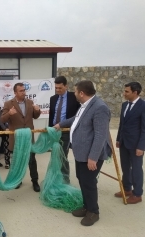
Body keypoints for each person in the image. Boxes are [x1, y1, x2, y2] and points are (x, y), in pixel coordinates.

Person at [54, 80, 111, 226]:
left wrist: (93, 157)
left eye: (75, 91)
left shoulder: (100, 108)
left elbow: (100, 135)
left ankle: (93, 212)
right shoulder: (85, 105)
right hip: (81, 153)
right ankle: (86, 207)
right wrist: (61, 124)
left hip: (91, 156)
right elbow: (76, 119)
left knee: (89, 182)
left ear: (82, 93)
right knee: (82, 179)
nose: (74, 94)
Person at [0, 82, 41, 192]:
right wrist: (9, 113)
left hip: (28, 137)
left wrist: (38, 111)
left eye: (24, 90)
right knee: (17, 160)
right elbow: (2, 119)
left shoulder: (30, 102)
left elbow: (35, 117)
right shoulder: (8, 104)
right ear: (15, 92)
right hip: (17, 138)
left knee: (32, 160)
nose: (24, 92)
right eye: (21, 91)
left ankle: (35, 181)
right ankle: (18, 180)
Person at [115, 82, 145, 204]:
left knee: (136, 169)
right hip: (124, 142)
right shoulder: (124, 105)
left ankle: (137, 194)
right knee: (125, 167)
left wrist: (141, 146)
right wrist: (118, 139)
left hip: (136, 145)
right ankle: (127, 188)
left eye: (127, 91)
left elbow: (144, 128)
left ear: (135, 92)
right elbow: (122, 124)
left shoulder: (143, 106)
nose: (124, 93)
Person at [49, 76, 80, 183]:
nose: (58, 90)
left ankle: (65, 180)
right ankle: (57, 177)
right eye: (56, 88)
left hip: (66, 131)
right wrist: (50, 130)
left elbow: (79, 115)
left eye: (60, 88)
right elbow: (51, 116)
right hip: (54, 132)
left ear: (66, 86)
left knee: (62, 155)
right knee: (55, 156)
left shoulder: (74, 97)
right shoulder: (53, 99)